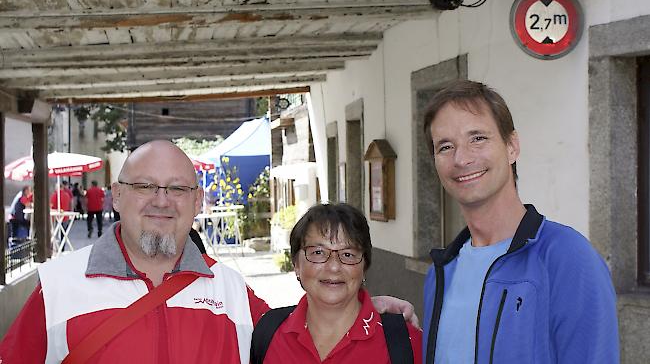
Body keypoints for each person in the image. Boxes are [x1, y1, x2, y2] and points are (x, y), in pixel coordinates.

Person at [0, 140, 414, 364]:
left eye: (178, 188)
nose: (162, 200)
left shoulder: (231, 292)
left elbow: (300, 335)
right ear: (117, 197)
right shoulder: (57, 288)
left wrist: (359, 308)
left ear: (197, 202)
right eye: (145, 186)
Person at [421, 80, 619, 363]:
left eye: (477, 138)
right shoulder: (441, 271)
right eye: (445, 147)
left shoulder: (568, 259)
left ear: (512, 146)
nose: (461, 158)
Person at [255, 203, 422, 363]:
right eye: (318, 252)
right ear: (296, 265)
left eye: (348, 254)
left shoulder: (406, 343)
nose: (334, 267)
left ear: (364, 266)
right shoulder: (269, 333)